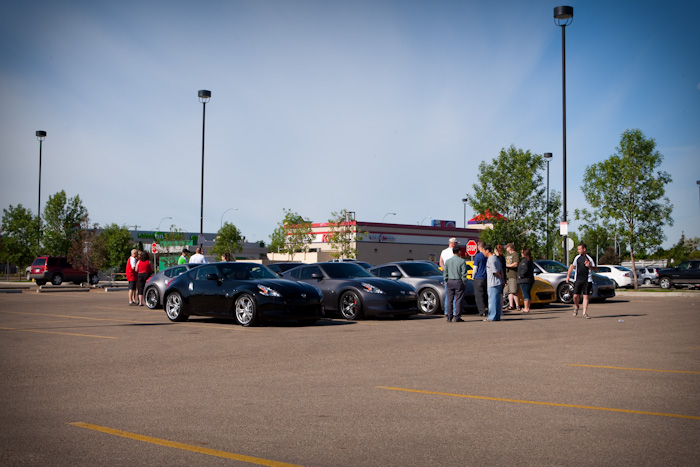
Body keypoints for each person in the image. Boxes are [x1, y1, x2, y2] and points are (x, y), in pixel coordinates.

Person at [566, 243, 598, 319]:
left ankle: (584, 313)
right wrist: (568, 276)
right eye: (578, 249)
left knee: (585, 296)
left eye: (579, 249)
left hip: (587, 280)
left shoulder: (589, 258)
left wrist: (589, 266)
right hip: (578, 279)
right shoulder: (577, 258)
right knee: (575, 296)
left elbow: (596, 269)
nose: (578, 251)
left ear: (584, 249)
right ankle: (576, 306)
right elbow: (572, 266)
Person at [443, 245, 468, 322]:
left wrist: (446, 280)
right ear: (459, 252)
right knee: (458, 300)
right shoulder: (462, 261)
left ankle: (449, 317)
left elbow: (445, 272)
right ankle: (457, 316)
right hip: (458, 281)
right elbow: (464, 273)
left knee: (449, 299)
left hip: (450, 281)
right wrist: (464, 282)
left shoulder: (448, 261)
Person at [439, 237, 459, 313]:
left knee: (448, 294)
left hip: (446, 275)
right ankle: (454, 311)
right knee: (455, 295)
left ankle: (447, 311)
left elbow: (441, 262)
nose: (457, 245)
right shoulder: (454, 252)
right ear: (453, 243)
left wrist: (445, 270)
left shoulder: (443, 251)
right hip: (454, 275)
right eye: (456, 243)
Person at [484, 244, 503, 321]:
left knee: (492, 301)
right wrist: (502, 278)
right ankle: (497, 316)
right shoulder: (496, 258)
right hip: (498, 282)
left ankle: (491, 317)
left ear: (487, 250)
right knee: (497, 301)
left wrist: (499, 276)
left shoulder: (491, 259)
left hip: (493, 283)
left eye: (484, 251)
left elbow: (494, 271)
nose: (484, 253)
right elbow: (501, 270)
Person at [472, 241, 489, 317]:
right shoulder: (487, 256)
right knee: (485, 295)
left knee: (479, 296)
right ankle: (486, 309)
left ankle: (481, 311)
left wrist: (473, 276)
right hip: (486, 277)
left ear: (479, 246)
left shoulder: (478, 256)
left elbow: (475, 268)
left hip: (479, 277)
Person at [517, 248, 535, 313]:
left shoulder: (525, 261)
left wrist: (520, 275)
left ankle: (526, 308)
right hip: (529, 280)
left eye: (522, 253)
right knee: (527, 294)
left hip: (524, 280)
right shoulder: (530, 260)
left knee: (525, 294)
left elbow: (525, 270)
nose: (521, 254)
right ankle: (527, 307)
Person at [504, 243, 521, 311]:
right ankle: (511, 305)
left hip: (513, 275)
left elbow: (516, 264)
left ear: (510, 248)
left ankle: (517, 305)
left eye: (507, 247)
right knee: (509, 292)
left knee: (514, 291)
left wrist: (508, 265)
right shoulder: (507, 255)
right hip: (507, 276)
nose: (506, 249)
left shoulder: (515, 254)